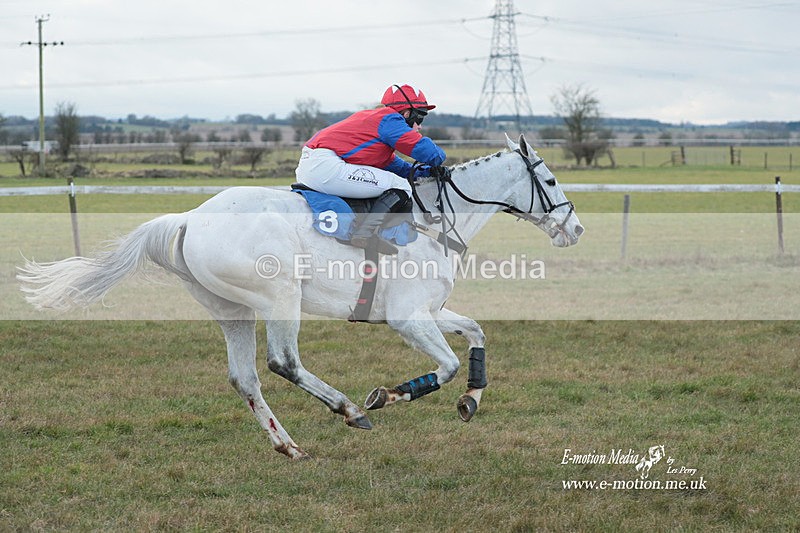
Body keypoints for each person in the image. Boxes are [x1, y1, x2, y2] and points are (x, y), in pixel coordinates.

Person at [295, 84, 448, 254]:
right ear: (407, 113)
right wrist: (439, 161)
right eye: (420, 118)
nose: (419, 126)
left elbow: (399, 167)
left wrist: (427, 172)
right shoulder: (390, 119)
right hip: (325, 166)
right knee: (401, 186)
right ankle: (365, 234)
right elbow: (432, 154)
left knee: (395, 180)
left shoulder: (376, 124)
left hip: (311, 166)